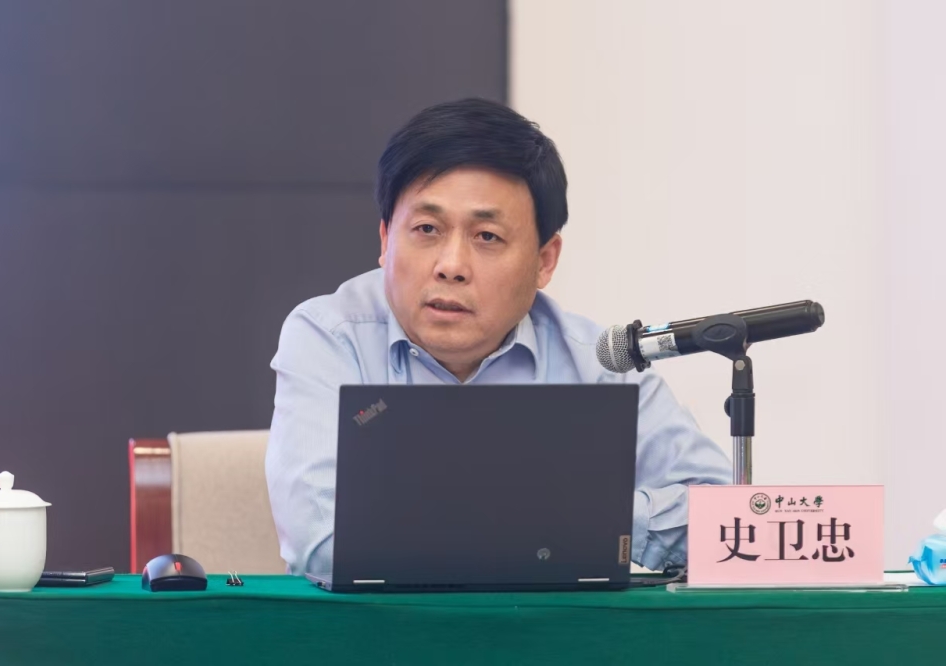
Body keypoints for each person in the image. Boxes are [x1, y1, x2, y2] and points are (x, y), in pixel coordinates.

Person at [266, 98, 731, 576]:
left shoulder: (593, 362)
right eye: (426, 229)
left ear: (544, 261)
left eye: (486, 236)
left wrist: (589, 515)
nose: (451, 266)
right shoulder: (328, 337)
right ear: (386, 240)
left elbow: (726, 518)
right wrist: (565, 519)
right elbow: (321, 541)